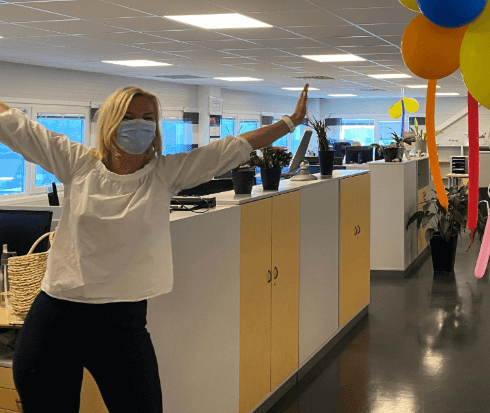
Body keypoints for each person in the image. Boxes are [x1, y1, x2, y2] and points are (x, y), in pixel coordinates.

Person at [0, 84, 308, 412]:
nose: (139, 124)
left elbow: (231, 149)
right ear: (109, 123)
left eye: (148, 117)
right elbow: (18, 127)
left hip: (122, 322)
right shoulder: (77, 164)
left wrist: (290, 122)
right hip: (57, 318)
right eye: (128, 117)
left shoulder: (163, 174)